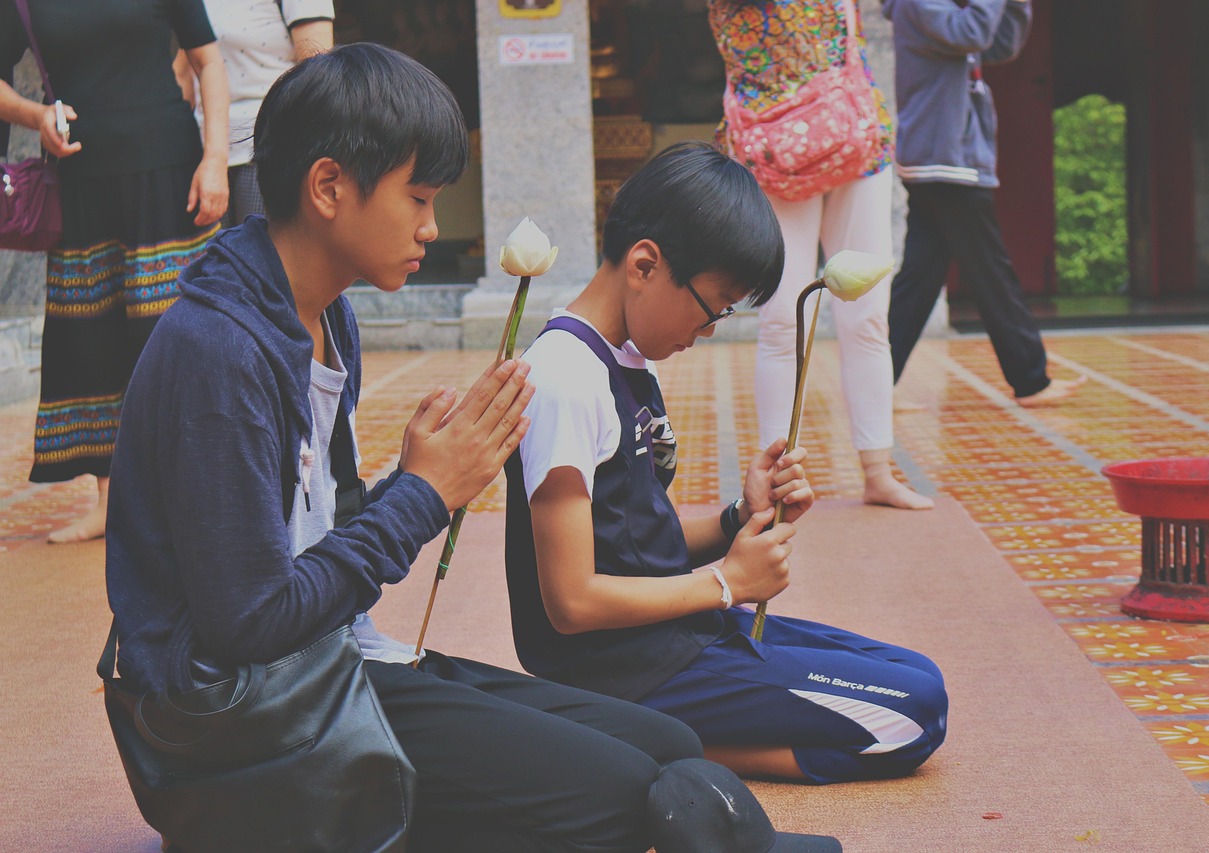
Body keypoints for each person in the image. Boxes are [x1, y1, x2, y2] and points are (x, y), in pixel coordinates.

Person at [104, 45, 838, 851]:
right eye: (418, 197)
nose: (432, 226)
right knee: (626, 794)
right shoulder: (220, 352)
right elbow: (250, 623)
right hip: (239, 723)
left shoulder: (326, 319)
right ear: (328, 188)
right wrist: (422, 494)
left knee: (666, 744)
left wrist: (401, 486)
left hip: (331, 663)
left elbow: (309, 540)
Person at [505, 142, 948, 786]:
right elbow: (571, 601)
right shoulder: (566, 377)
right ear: (645, 265)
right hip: (622, 670)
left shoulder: (623, 360)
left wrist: (742, 516)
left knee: (921, 678)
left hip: (674, 634)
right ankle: (640, 741)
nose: (708, 330)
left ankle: (647, 731)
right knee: (910, 717)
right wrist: (727, 584)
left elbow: (634, 545)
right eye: (713, 306)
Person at [0, 0, 229, 544]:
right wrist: (38, 116)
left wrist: (214, 157)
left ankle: (197, 495)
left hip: (170, 173)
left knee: (179, 335)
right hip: (80, 182)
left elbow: (209, 63)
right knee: (91, 340)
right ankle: (111, 501)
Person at [709, 0, 934, 510]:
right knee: (782, 319)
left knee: (868, 317)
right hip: (775, 146)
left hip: (853, 136)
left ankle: (877, 470)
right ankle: (777, 479)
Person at [883, 0, 1085, 407]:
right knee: (992, 271)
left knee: (919, 280)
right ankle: (1031, 380)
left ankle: (875, 380)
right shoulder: (920, 2)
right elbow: (973, 32)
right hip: (944, 159)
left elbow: (999, 43)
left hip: (941, 159)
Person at [173, 0, 334, 226]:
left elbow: (318, 73)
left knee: (261, 255)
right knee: (213, 258)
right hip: (205, 154)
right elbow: (183, 74)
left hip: (268, 147)